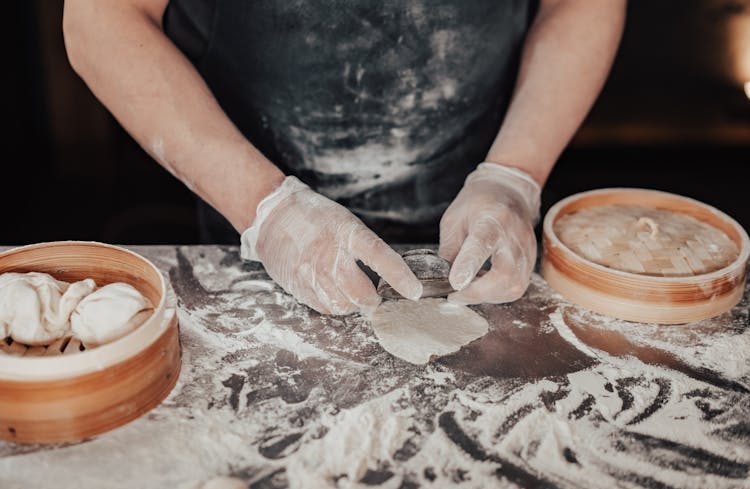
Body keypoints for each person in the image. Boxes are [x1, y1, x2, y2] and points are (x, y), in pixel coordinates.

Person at [63, 0, 626, 316]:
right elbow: (101, 19)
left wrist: (514, 175)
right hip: (252, 229)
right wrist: (269, 211)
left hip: (482, 226)